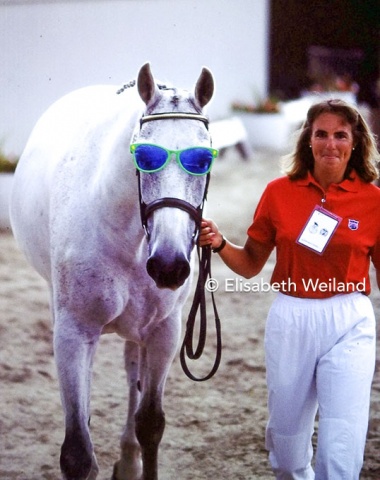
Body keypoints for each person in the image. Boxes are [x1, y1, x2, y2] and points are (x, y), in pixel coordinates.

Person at [200, 99, 380, 479]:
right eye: (321, 134)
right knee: (287, 438)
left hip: (349, 320)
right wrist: (218, 243)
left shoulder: (374, 201)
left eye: (340, 135)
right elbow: (250, 263)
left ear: (355, 142)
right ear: (308, 140)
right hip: (291, 317)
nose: (330, 143)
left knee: (342, 438)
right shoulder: (278, 192)